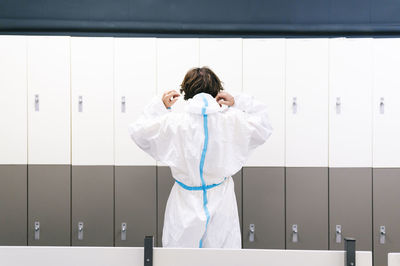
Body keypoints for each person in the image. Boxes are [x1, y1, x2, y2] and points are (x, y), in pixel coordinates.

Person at [129, 66, 272, 248]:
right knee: (221, 260)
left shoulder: (174, 123)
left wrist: (159, 106)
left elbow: (138, 131)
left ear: (186, 92)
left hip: (184, 206)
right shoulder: (231, 120)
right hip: (222, 204)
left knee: (180, 260)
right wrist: (238, 101)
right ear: (216, 91)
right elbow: (264, 123)